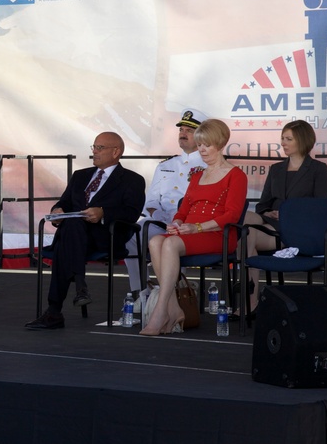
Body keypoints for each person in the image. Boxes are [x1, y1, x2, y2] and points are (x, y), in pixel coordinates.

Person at [25, 132, 145, 330]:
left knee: (67, 241)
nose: (94, 152)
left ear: (116, 152)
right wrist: (58, 210)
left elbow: (131, 213)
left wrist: (103, 213)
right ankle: (79, 286)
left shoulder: (132, 180)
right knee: (72, 225)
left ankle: (55, 310)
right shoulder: (80, 176)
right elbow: (65, 201)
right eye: (94, 147)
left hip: (105, 235)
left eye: (100, 148)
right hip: (75, 235)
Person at [140, 119, 246, 335]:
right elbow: (184, 209)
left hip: (218, 234)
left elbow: (232, 215)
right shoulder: (197, 175)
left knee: (169, 245)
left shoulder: (236, 175)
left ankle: (162, 310)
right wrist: (177, 223)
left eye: (207, 145)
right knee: (155, 240)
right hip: (191, 231)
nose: (202, 150)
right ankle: (174, 308)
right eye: (199, 145)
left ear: (221, 143)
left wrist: (196, 227)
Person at [243, 119, 327, 302]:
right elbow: (262, 205)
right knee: (244, 223)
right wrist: (268, 212)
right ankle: (250, 300)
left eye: (288, 139)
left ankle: (250, 302)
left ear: (303, 140)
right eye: (282, 138)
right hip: (272, 224)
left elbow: (322, 208)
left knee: (248, 234)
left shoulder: (318, 169)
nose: (283, 143)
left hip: (299, 230)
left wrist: (288, 215)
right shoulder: (276, 169)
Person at [124, 108, 208, 295]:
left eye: (189, 130)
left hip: (190, 223)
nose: (183, 134)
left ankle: (176, 292)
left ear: (203, 136)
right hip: (162, 220)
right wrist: (158, 215)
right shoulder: (166, 165)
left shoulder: (208, 165)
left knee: (173, 240)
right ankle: (141, 292)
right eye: (181, 130)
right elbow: (151, 200)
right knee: (131, 236)